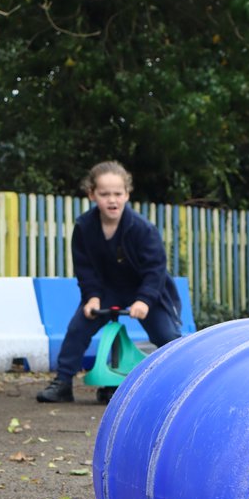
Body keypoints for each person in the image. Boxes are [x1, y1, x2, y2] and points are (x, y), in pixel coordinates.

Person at [37, 161, 182, 403]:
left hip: (146, 292)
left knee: (167, 335)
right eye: (104, 194)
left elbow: (155, 269)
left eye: (117, 193)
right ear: (92, 194)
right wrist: (92, 296)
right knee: (77, 328)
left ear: (127, 193)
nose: (112, 200)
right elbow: (85, 268)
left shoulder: (142, 229)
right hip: (107, 291)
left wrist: (144, 300)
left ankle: (183, 383)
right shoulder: (84, 227)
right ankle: (63, 382)